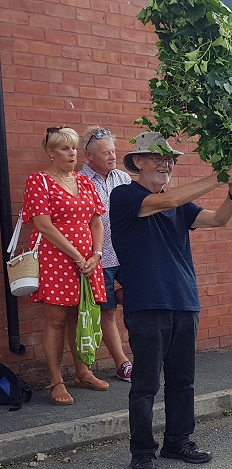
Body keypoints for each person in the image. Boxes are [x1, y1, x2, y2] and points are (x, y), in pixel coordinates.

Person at [110, 132, 232, 469]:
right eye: (158, 157)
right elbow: (167, 200)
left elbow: (218, 219)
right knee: (146, 385)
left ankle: (178, 441)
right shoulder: (125, 195)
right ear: (138, 162)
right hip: (146, 304)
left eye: (170, 159)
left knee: (182, 381)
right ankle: (142, 452)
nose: (166, 164)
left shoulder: (180, 205)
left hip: (185, 301)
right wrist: (220, 176)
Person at [22, 126, 109, 406]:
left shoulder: (84, 181)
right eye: (64, 148)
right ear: (50, 152)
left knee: (80, 315)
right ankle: (56, 380)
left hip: (87, 259)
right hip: (55, 258)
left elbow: (96, 221)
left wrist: (96, 254)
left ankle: (83, 372)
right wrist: (77, 255)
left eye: (73, 148)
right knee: (57, 319)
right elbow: (43, 225)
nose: (72, 153)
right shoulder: (39, 181)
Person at [79, 126, 133, 382]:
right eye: (105, 152)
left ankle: (147, 354)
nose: (112, 156)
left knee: (139, 301)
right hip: (100, 258)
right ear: (89, 156)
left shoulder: (123, 178)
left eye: (113, 151)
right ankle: (122, 363)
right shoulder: (80, 181)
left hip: (128, 255)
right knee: (108, 311)